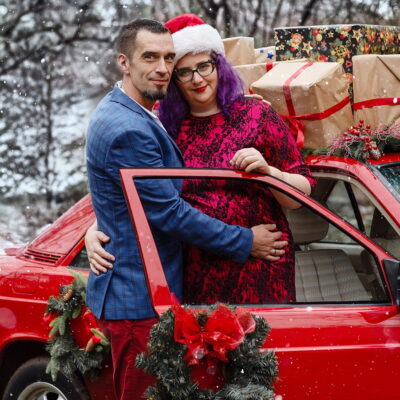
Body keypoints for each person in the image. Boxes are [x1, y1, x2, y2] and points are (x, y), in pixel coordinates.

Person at [85, 18, 287, 400]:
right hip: (139, 296)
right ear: (124, 62)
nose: (162, 67)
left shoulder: (136, 112)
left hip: (152, 291)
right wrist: (247, 241)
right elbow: (168, 212)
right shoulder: (129, 127)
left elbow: (120, 196)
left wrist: (96, 224)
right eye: (150, 57)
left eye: (167, 58)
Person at [88, 13, 316, 306]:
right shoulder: (165, 128)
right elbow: (136, 191)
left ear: (219, 65)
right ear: (173, 80)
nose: (197, 79)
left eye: (204, 66)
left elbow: (302, 194)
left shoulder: (257, 115)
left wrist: (271, 173)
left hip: (260, 262)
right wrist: (95, 229)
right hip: (195, 270)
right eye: (184, 72)